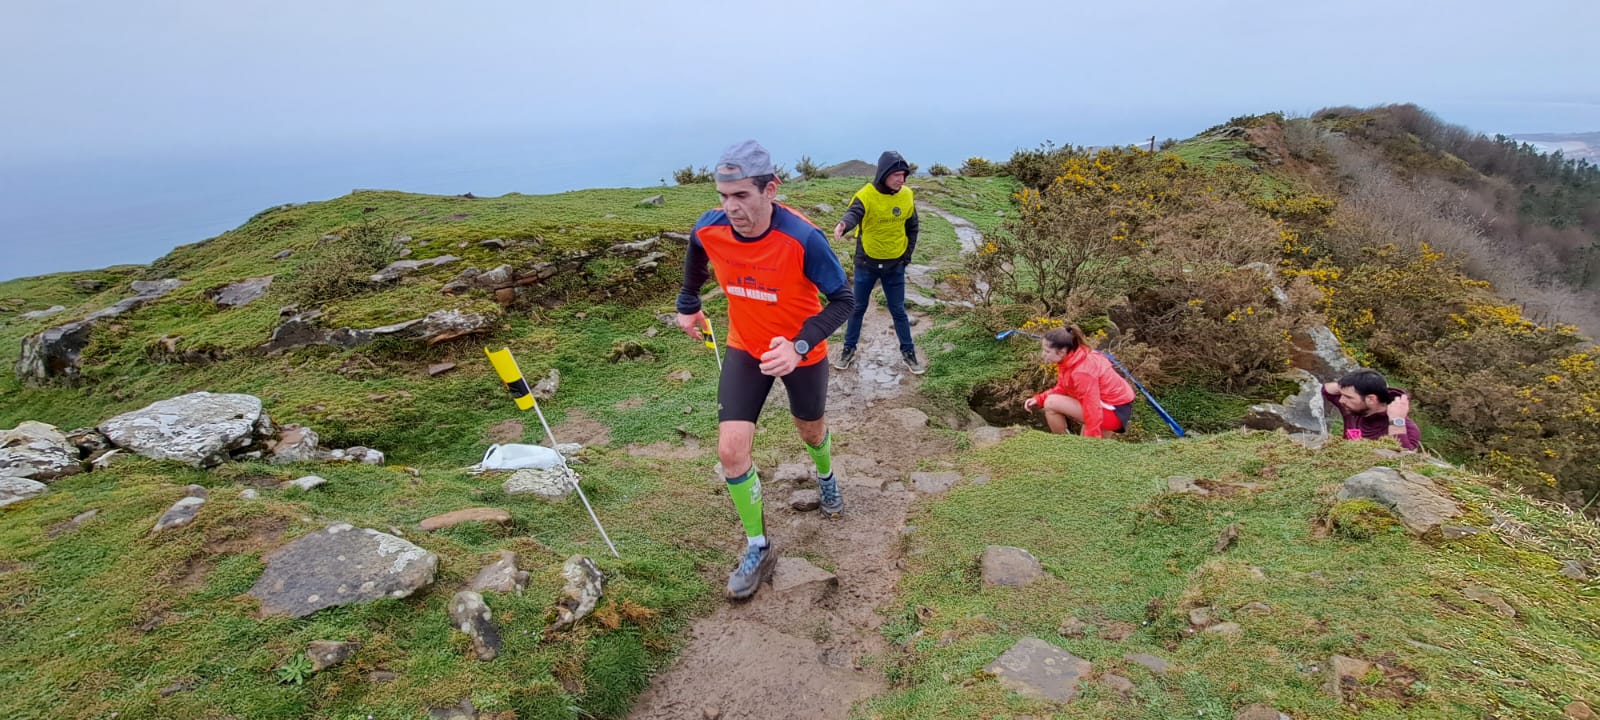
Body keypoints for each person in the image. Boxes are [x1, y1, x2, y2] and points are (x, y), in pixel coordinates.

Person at [676, 140, 855, 600]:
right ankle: (758, 544)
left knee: (810, 431)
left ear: (770, 189)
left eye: (741, 196)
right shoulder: (710, 228)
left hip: (802, 354)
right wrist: (689, 304)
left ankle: (826, 477)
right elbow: (697, 253)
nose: (730, 207)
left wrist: (798, 346)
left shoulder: (803, 238)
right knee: (731, 452)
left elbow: (844, 301)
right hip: (745, 348)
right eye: (723, 196)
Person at [832, 150, 924, 374]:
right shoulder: (866, 194)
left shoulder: (907, 195)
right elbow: (854, 212)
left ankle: (908, 353)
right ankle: (848, 349)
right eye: (897, 175)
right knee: (857, 308)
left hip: (895, 265)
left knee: (898, 310)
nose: (901, 180)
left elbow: (912, 227)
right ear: (884, 174)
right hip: (867, 263)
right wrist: (844, 225)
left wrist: (906, 256)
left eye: (904, 175)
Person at [1023, 326, 1136, 438]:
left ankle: (1063, 444)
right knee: (1049, 401)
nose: (1043, 355)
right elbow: (1063, 387)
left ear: (1061, 352)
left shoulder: (1082, 371)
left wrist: (1091, 439)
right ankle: (1072, 446)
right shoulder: (1073, 357)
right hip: (1110, 406)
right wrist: (1039, 399)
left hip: (1113, 411)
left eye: (1047, 351)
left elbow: (1092, 405)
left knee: (1051, 403)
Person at [1322, 369, 1420, 451]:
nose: (1341, 400)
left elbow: (1405, 457)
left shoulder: (1406, 428)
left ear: (1371, 399)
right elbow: (1326, 390)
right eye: (1341, 394)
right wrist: (1346, 385)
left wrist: (1396, 422)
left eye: (1348, 397)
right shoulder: (1354, 409)